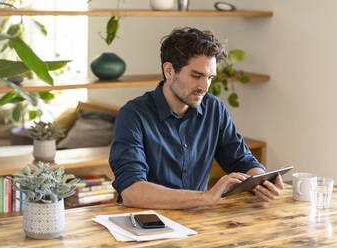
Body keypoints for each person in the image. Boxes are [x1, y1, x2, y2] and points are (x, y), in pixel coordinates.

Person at [109, 27, 284, 209]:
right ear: (169, 71)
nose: (204, 86)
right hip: (144, 223)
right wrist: (205, 197)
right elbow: (131, 192)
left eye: (210, 77)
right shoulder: (133, 115)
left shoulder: (214, 108)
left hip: (196, 221)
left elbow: (241, 160)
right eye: (196, 76)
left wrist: (262, 182)